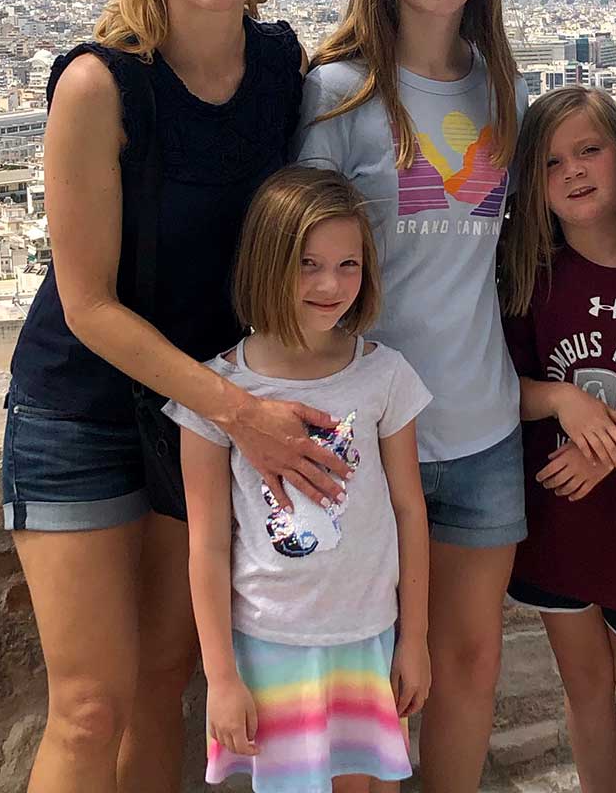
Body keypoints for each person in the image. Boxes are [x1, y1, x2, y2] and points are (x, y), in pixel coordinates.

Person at [2, 0, 348, 793]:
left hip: (193, 416)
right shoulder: (99, 85)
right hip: (83, 416)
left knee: (165, 680)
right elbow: (88, 304)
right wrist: (242, 416)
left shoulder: (283, 70)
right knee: (89, 706)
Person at [294, 0, 527, 792]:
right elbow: (300, 275)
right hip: (366, 440)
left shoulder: (500, 86)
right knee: (367, 680)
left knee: (470, 668)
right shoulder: (337, 93)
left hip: (481, 429)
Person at [168, 167, 432, 792]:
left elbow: (409, 510)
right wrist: (222, 677)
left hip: (368, 633)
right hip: (268, 640)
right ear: (267, 263)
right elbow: (206, 542)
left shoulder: (384, 376)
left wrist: (413, 638)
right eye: (308, 264)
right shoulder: (219, 393)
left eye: (348, 265)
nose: (330, 284)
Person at [499, 86, 616, 793]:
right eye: (549, 164)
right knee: (583, 687)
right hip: (557, 515)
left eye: (588, 150)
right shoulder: (528, 274)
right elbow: (497, 386)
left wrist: (615, 444)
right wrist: (561, 399)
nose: (572, 172)